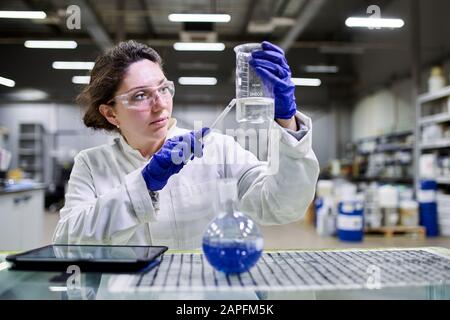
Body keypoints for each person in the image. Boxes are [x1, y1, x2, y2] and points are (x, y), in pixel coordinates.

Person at [52, 40, 319, 249]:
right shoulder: (91, 164)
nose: (160, 105)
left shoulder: (216, 148)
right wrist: (144, 184)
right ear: (111, 113)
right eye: (141, 95)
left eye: (163, 88)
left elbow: (283, 206)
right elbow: (67, 244)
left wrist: (287, 123)